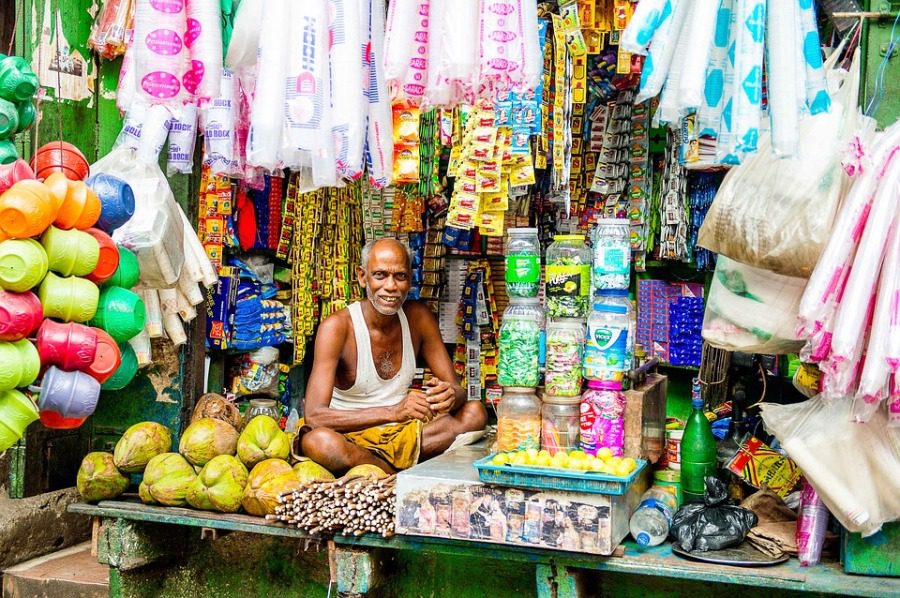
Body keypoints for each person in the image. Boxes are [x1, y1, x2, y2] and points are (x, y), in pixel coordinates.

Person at [299, 238, 487, 474]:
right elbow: (314, 416)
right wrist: (393, 412)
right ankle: (394, 472)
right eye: (380, 275)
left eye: (400, 276)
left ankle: (379, 469)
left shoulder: (418, 318)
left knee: (475, 413)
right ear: (362, 277)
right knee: (319, 442)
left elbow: (457, 390)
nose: (391, 286)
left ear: (410, 279)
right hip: (350, 436)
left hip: (403, 435)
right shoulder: (337, 327)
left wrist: (449, 396)